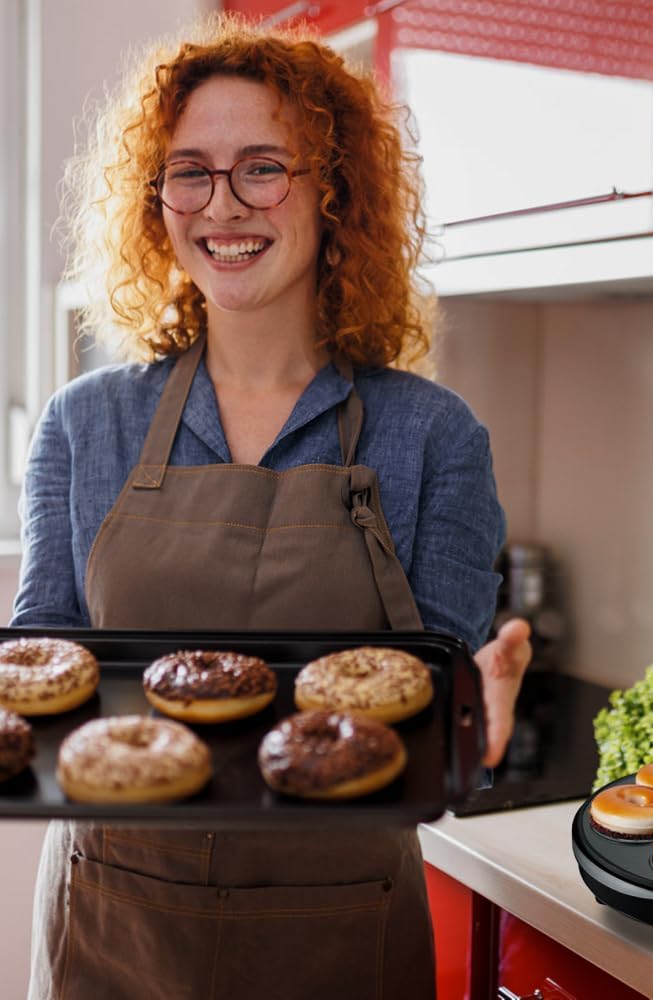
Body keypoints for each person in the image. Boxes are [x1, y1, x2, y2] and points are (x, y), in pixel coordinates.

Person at [11, 14, 531, 1000]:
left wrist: (478, 722)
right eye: (190, 171)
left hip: (340, 929)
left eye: (261, 167)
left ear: (331, 190)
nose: (222, 205)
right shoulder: (85, 426)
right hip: (116, 925)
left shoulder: (432, 437)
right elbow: (43, 669)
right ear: (156, 196)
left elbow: (437, 714)